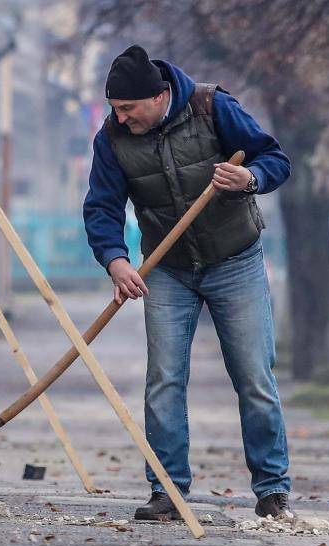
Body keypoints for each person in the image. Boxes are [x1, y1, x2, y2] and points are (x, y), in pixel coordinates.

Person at [82, 45, 293, 521]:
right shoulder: (112, 139)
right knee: (164, 382)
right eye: (116, 108)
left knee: (254, 376)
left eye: (128, 108)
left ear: (158, 97)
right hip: (168, 270)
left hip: (235, 259)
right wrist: (116, 261)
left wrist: (250, 177)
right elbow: (101, 207)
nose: (120, 117)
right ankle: (167, 492)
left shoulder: (212, 107)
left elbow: (275, 158)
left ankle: (273, 490)